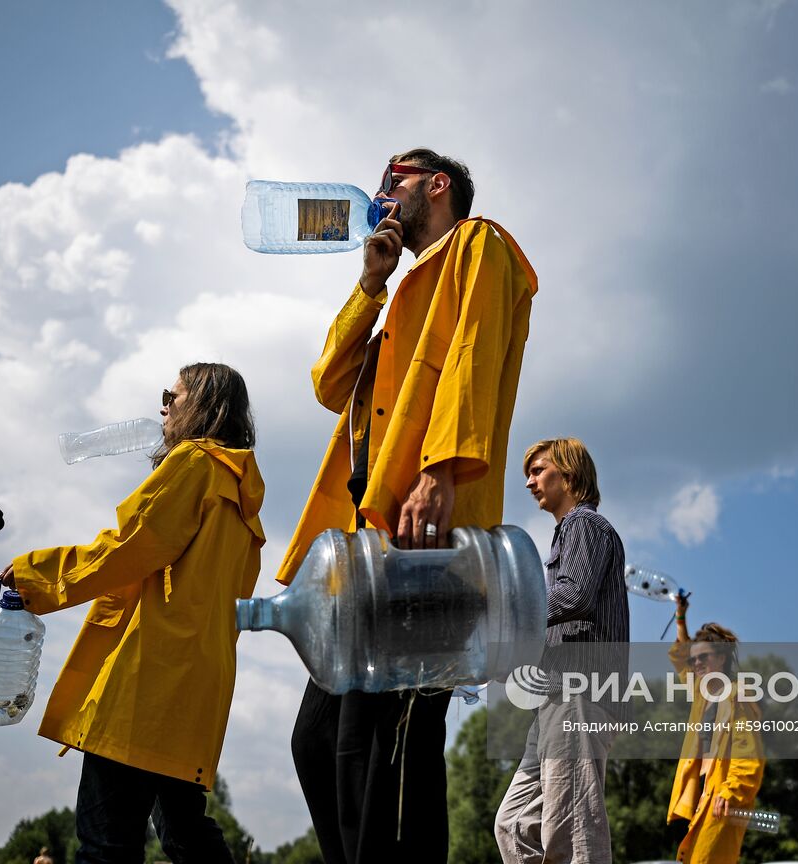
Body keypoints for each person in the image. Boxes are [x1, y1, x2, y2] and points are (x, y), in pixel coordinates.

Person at [283, 148, 537, 864]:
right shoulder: (400, 296)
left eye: (394, 177)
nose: (381, 190)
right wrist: (370, 284)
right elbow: (331, 385)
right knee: (318, 742)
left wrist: (441, 471)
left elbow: (475, 353)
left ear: (438, 184)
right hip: (368, 546)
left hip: (427, 535)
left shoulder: (479, 243)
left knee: (385, 750)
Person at [1, 363, 266, 864]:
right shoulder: (244, 496)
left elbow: (129, 548)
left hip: (148, 682)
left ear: (204, 405)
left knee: (107, 842)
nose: (163, 404)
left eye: (173, 394)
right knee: (186, 833)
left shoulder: (193, 464)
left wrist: (36, 574)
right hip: (198, 689)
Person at [495, 438, 629, 864]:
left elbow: (574, 596)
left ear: (568, 475)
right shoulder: (568, 533)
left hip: (578, 695)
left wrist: (509, 616)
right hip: (554, 699)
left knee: (571, 836)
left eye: (538, 470)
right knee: (514, 824)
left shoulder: (583, 526)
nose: (530, 482)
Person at [662, 593, 764, 864]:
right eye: (695, 660)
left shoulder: (737, 697)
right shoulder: (701, 695)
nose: (696, 664)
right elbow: (681, 657)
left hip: (723, 797)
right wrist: (681, 617)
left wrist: (730, 792)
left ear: (721, 659)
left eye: (703, 658)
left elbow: (749, 754)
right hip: (704, 796)